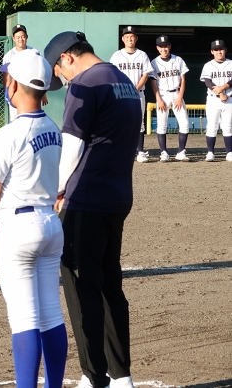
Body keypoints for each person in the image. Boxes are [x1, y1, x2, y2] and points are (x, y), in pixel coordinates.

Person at [44, 31, 139, 388]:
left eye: (60, 72)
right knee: (110, 286)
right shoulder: (123, 80)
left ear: (67, 58)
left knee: (82, 287)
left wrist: (56, 190)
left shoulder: (85, 83)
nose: (64, 80)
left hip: (86, 198)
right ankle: (121, 375)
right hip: (117, 195)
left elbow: (71, 145)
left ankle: (94, 375)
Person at [0, 49, 67, 388]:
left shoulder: (7, 135)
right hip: (50, 224)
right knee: (51, 315)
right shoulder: (54, 129)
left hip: (17, 227)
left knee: (24, 319)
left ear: (14, 84)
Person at [109, 26, 153, 162]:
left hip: (138, 93)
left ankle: (140, 152)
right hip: (121, 94)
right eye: (127, 36)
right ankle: (122, 151)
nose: (130, 39)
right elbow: (112, 74)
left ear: (136, 38)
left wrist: (136, 88)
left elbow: (146, 74)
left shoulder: (142, 55)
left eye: (132, 36)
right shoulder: (117, 55)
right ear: (123, 39)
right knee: (120, 122)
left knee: (139, 122)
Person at [149, 35, 189, 162]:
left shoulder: (178, 60)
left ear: (170, 46)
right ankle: (164, 153)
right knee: (162, 125)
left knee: (184, 123)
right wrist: (159, 99)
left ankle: (181, 152)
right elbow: (153, 83)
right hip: (163, 94)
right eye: (161, 47)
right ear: (157, 48)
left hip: (176, 93)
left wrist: (180, 97)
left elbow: (183, 80)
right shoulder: (154, 63)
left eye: (165, 46)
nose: (163, 49)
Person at [198, 39, 232, 162]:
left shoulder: (231, 63)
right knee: (212, 126)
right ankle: (210, 152)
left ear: (225, 50)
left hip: (229, 99)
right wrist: (220, 93)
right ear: (212, 51)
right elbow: (207, 82)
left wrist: (222, 88)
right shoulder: (208, 65)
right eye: (216, 50)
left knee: (228, 126)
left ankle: (229, 152)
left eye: (221, 49)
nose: (219, 52)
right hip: (213, 99)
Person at [2, 24, 34, 121]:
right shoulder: (9, 55)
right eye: (18, 37)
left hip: (31, 91)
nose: (21, 39)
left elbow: (40, 74)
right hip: (15, 91)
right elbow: (6, 76)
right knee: (15, 119)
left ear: (27, 37)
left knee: (31, 119)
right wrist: (8, 93)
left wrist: (43, 93)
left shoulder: (34, 52)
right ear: (14, 38)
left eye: (23, 36)